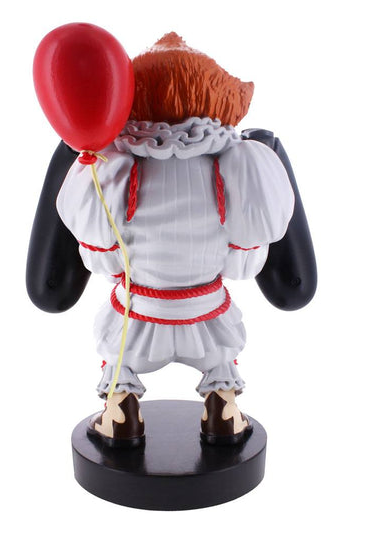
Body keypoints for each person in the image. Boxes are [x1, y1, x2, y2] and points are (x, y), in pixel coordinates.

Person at [56, 33, 294, 447]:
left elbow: (103, 255)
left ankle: (121, 413)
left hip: (136, 319)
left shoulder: (113, 164)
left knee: (119, 362)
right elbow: (245, 257)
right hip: (207, 316)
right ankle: (223, 410)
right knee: (220, 363)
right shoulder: (238, 161)